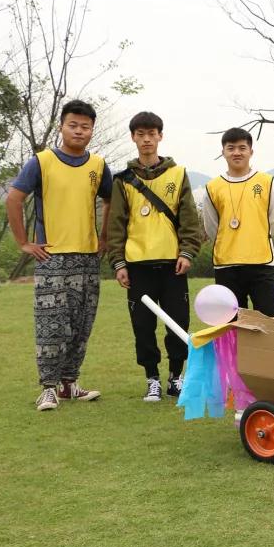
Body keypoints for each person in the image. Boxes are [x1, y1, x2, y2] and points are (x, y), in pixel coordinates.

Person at [6, 99, 112, 412]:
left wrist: (104, 236)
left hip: (87, 258)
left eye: (85, 126)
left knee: (81, 325)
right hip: (51, 258)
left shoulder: (98, 166)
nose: (79, 131)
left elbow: (111, 200)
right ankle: (48, 389)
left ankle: (69, 384)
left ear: (92, 130)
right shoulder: (41, 162)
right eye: (73, 125)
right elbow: (14, 199)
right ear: (61, 127)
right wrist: (24, 242)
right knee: (51, 325)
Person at [107, 111, 202, 402]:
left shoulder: (178, 173)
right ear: (133, 137)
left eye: (152, 134)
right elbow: (116, 224)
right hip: (138, 266)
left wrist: (187, 252)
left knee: (178, 323)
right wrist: (118, 262)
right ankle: (152, 379)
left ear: (160, 136)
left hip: (173, 264)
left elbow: (189, 219)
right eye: (141, 134)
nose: (146, 139)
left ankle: (175, 378)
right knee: (143, 326)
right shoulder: (123, 180)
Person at [200, 127, 274, 316]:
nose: (236, 152)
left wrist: (257, 235)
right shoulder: (213, 187)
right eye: (231, 148)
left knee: (270, 320)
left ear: (251, 151)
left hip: (262, 262)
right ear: (223, 152)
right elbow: (212, 226)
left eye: (242, 148)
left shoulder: (266, 182)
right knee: (231, 322)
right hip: (226, 264)